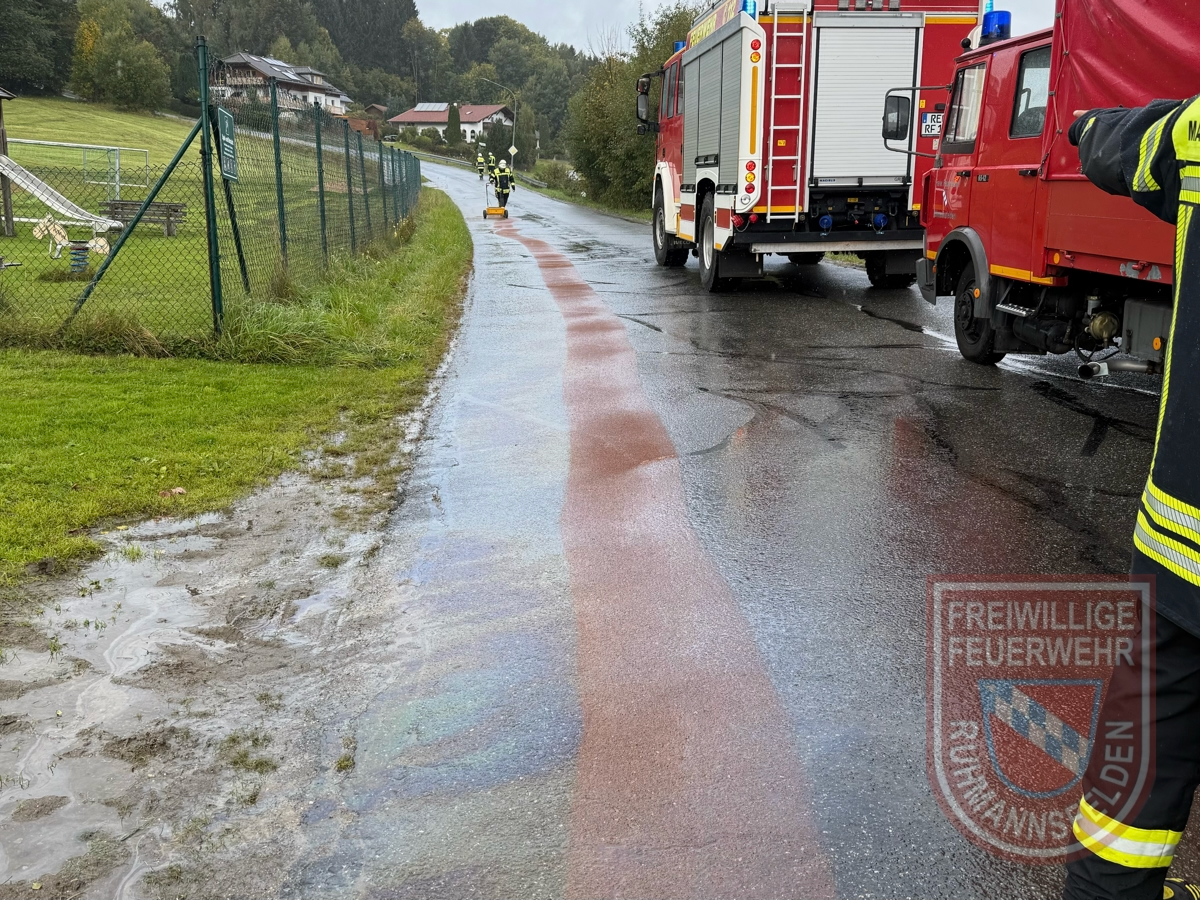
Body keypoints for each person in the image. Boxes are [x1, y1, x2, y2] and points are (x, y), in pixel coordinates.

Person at [1064, 95, 1200, 900]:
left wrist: (1082, 125)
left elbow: (1125, 145)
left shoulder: (1194, 131)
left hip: (1184, 557)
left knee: (1128, 808)